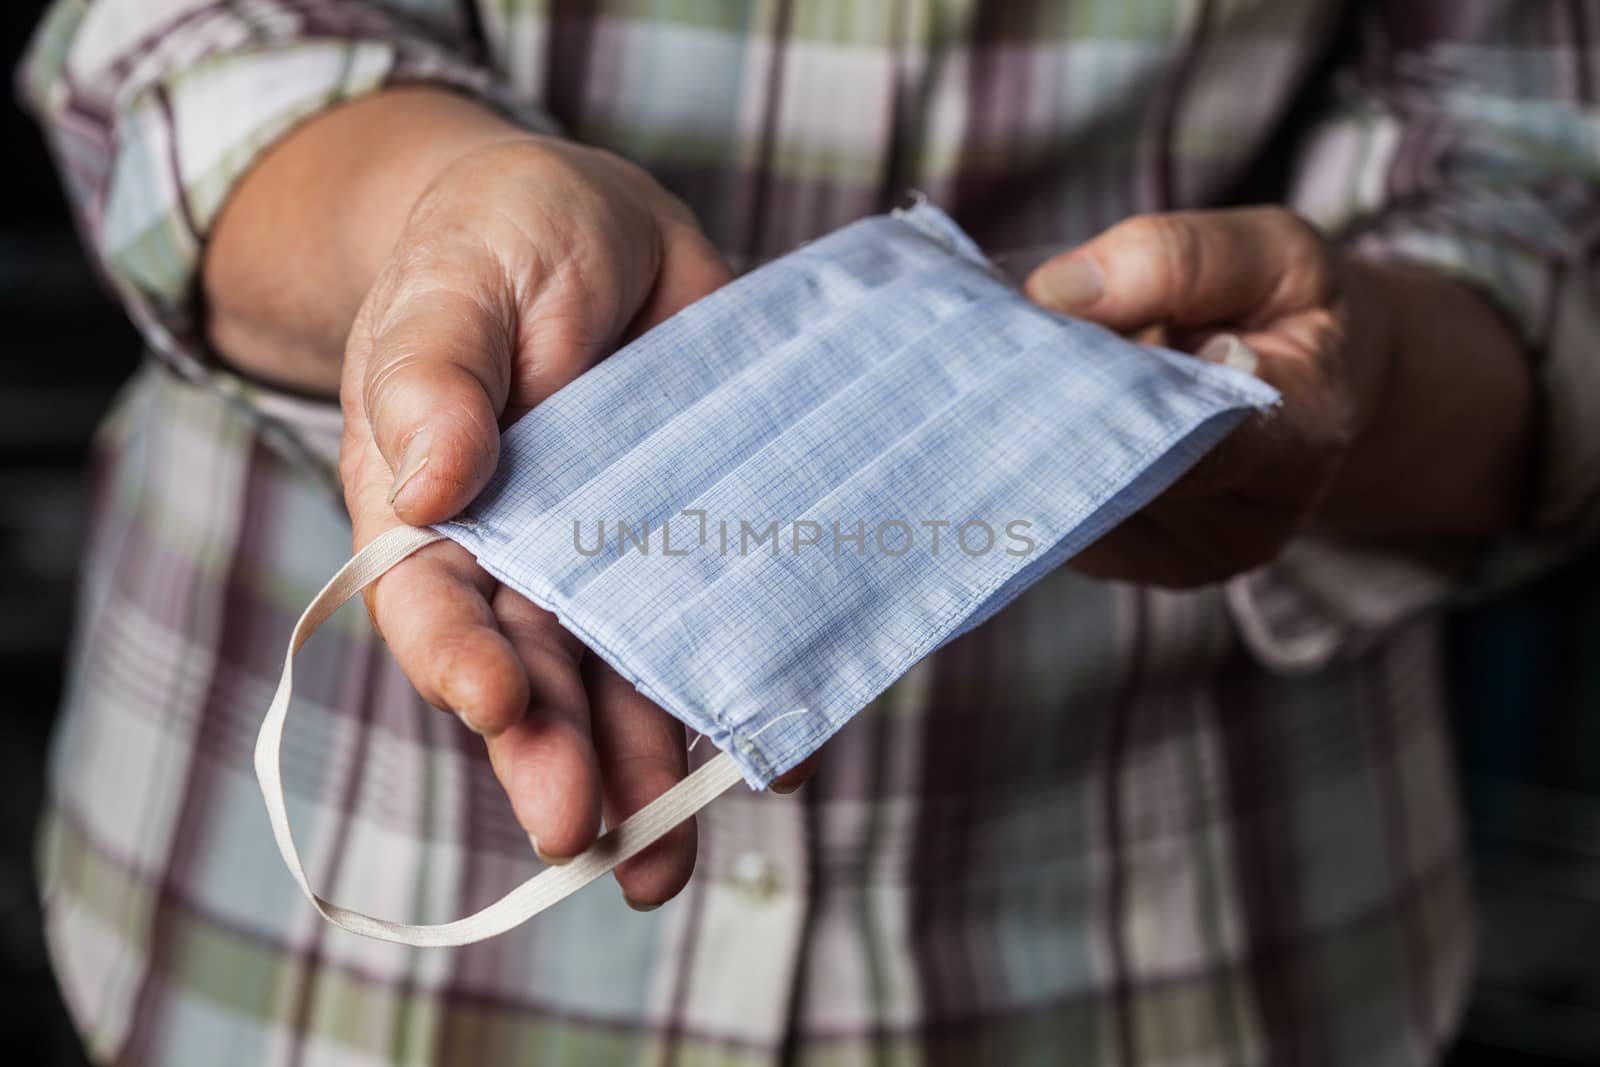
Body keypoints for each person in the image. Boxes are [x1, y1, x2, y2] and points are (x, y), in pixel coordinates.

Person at [21, 1, 1599, 1064]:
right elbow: (174, 34)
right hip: (313, 978)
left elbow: (1534, 173)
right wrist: (427, 219)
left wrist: (1360, 380)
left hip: (1185, 949)